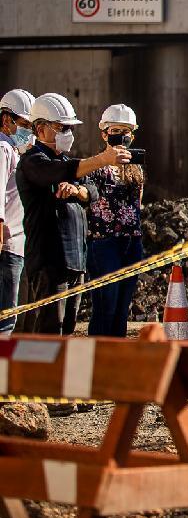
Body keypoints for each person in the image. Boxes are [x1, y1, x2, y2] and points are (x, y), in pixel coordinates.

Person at [17, 93, 131, 336]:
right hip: (50, 261)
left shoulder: (66, 160)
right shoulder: (33, 161)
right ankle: (42, 374)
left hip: (74, 260)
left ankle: (59, 373)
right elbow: (58, 172)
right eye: (62, 128)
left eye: (69, 128)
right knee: (49, 331)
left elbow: (92, 190)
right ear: (40, 128)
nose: (67, 133)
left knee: (66, 329)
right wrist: (103, 159)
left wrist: (78, 191)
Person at [82, 105, 144, 338]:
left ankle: (115, 360)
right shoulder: (95, 167)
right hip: (104, 243)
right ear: (104, 134)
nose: (121, 136)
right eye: (115, 130)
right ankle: (97, 360)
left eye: (126, 131)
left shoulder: (135, 168)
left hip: (131, 242)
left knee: (121, 307)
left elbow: (138, 202)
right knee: (105, 306)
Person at [0, 89, 34, 335]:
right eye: (24, 124)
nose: (29, 130)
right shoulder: (3, 148)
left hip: (16, 243)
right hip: (7, 244)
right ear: (6, 119)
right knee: (6, 316)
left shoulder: (14, 151)